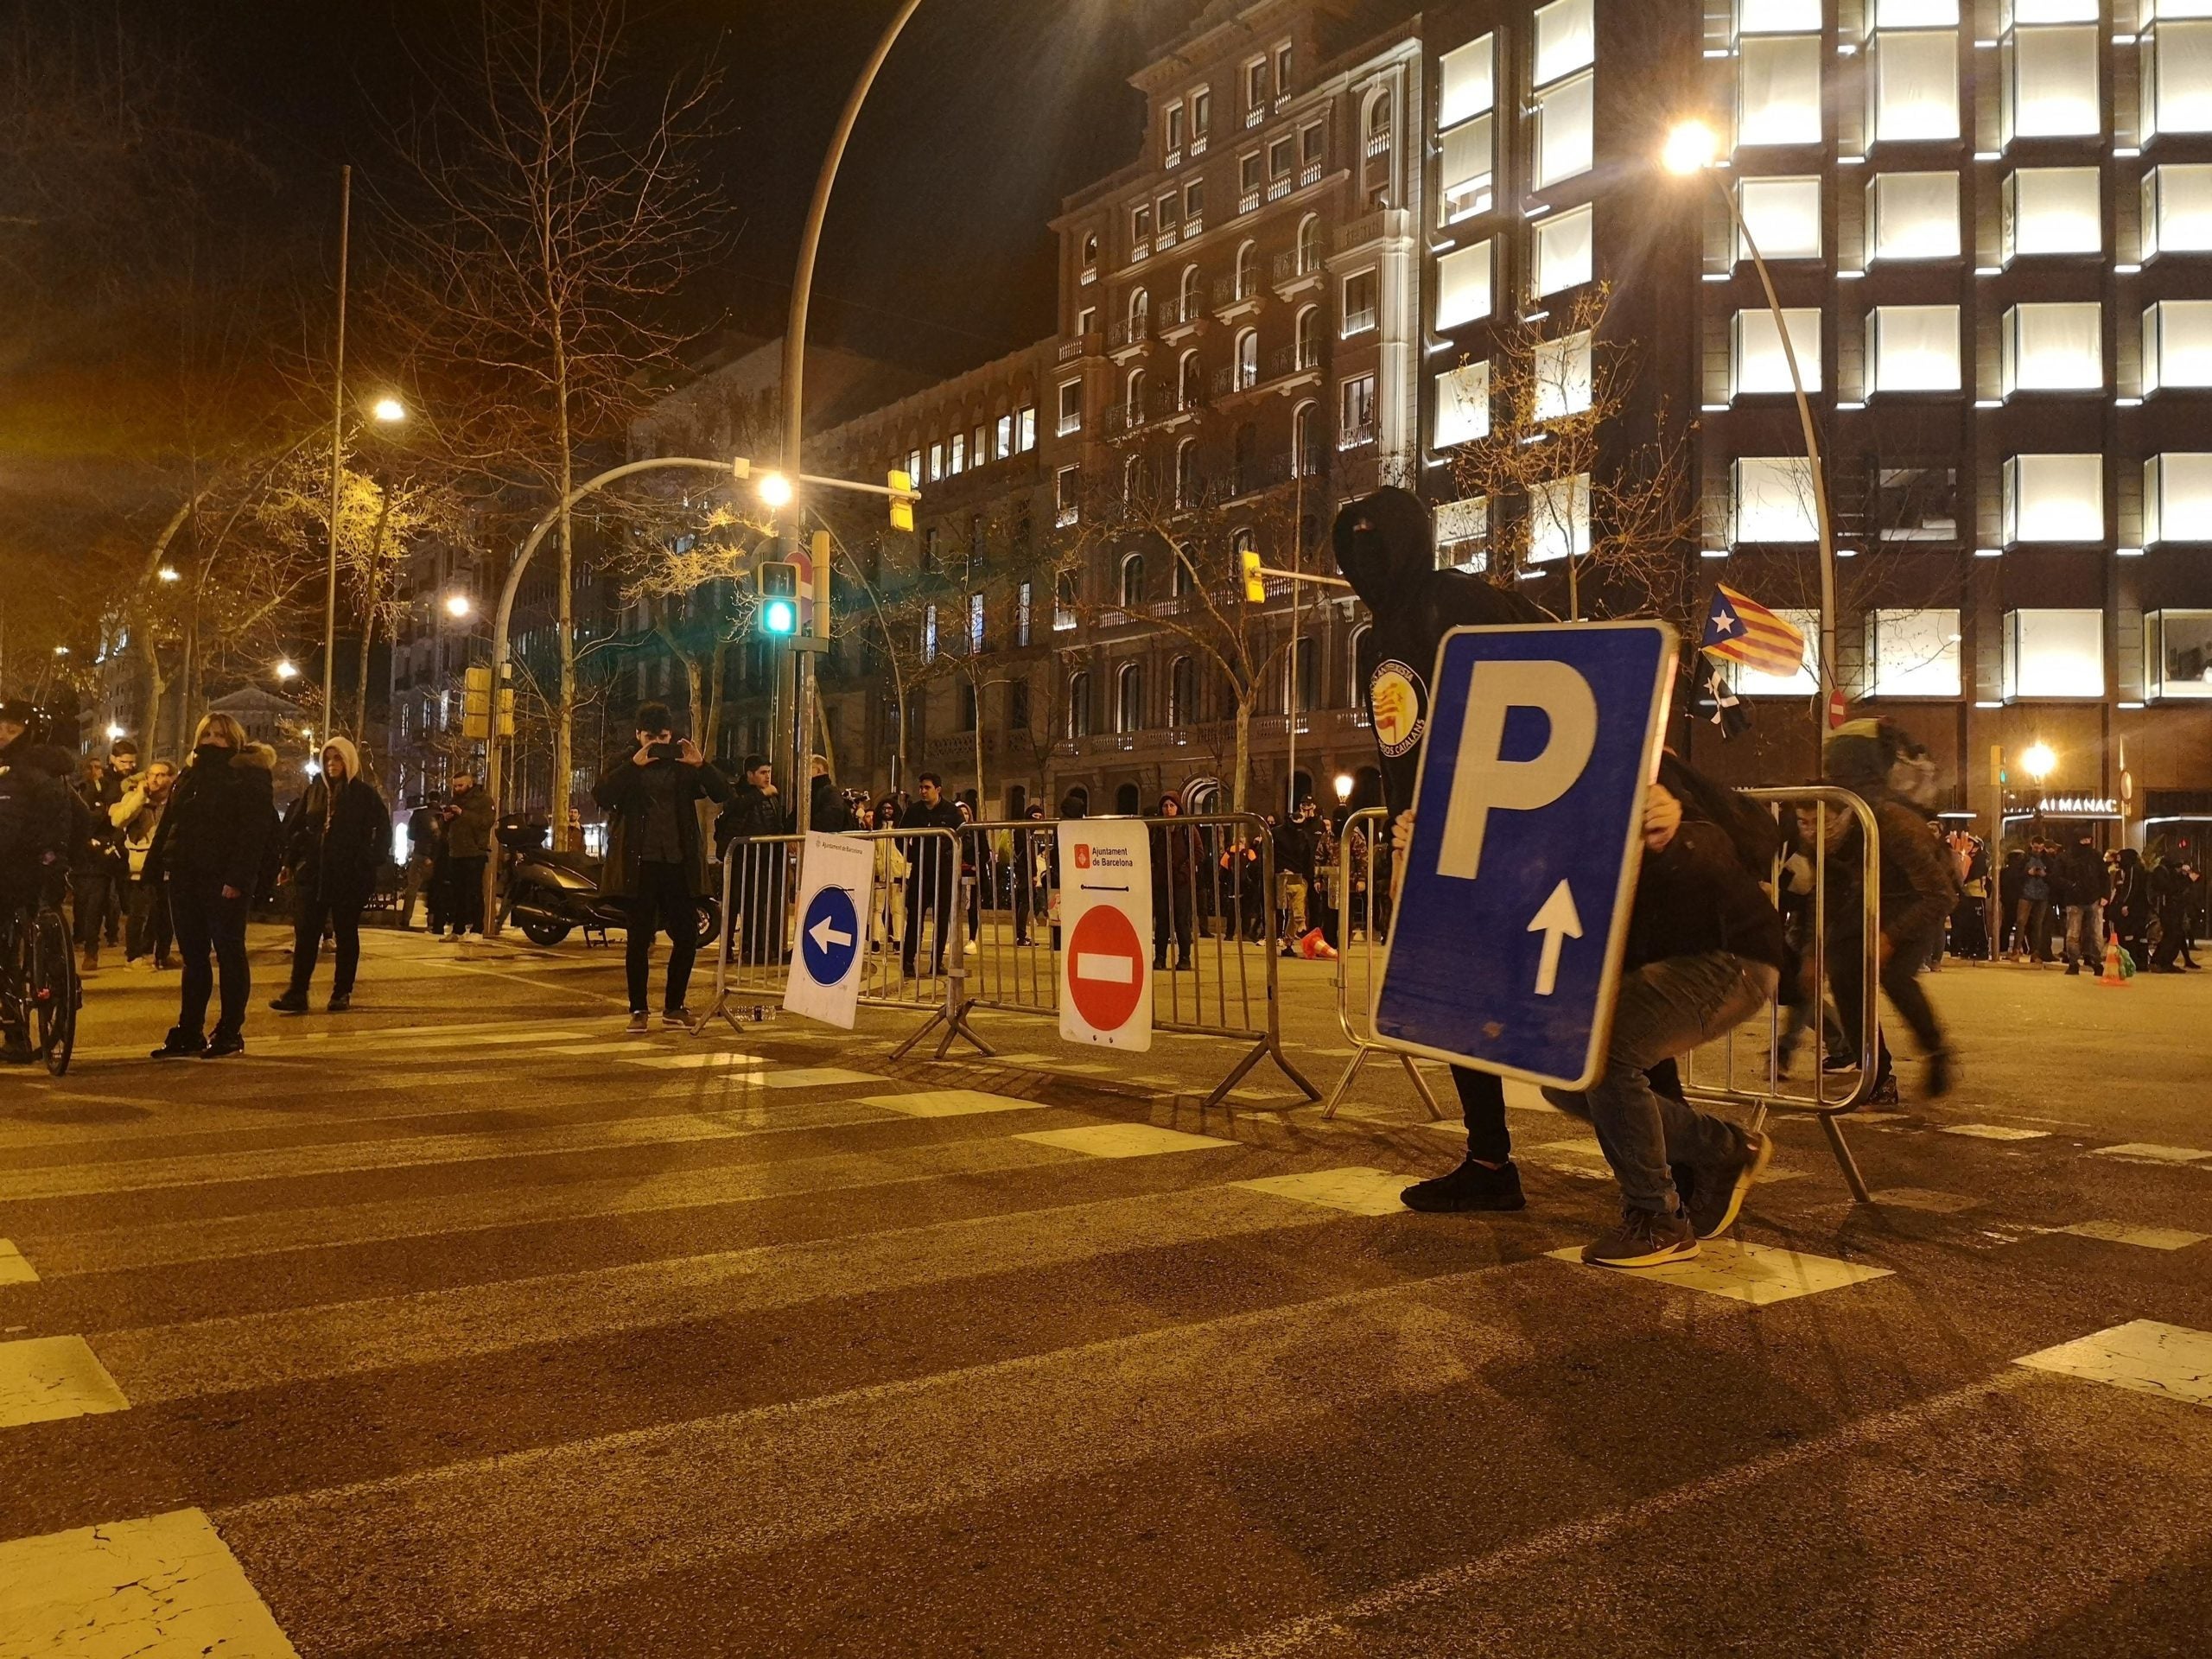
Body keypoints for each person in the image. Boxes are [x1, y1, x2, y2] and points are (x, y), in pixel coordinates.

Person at [1332, 486, 1553, 1214]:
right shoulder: (1377, 636)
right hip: (1429, 846)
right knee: (1457, 1005)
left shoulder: (1458, 603)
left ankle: (1677, 1150)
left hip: (1507, 837)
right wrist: (1402, 840)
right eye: (1352, 541)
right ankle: (1489, 1158)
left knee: (1576, 996)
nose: (1366, 555)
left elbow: (1551, 668)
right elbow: (1403, 746)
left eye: (1378, 538)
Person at [1538, 763, 1789, 1268]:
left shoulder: (1644, 757)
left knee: (1605, 1059)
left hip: (1727, 955)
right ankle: (1725, 1149)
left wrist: (1673, 833)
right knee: (1568, 1073)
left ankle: (1657, 1218)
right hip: (1660, 962)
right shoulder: (1552, 776)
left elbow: (1734, 840)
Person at [1821, 720, 1961, 1102]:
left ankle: (1937, 1050)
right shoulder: (1843, 816)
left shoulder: (1894, 820)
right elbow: (1833, 886)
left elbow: (1939, 894)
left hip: (1915, 905)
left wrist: (1891, 936)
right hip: (1873, 905)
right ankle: (1877, 1076)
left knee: (1896, 977)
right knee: (1844, 971)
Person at [591, 701, 731, 1032]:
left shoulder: (683, 763)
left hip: (678, 862)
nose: (657, 743)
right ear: (638, 734)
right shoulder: (626, 763)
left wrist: (701, 766)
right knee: (639, 938)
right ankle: (638, 1009)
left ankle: (674, 1006)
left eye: (663, 736)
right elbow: (602, 795)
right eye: (650, 736)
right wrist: (633, 766)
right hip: (639, 863)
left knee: (686, 935)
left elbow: (722, 792)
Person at [143, 712, 276, 1059]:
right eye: (207, 734)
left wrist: (238, 879)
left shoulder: (246, 774)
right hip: (186, 873)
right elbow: (171, 821)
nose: (212, 741)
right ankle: (190, 1030)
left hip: (222, 878)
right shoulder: (190, 774)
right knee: (194, 956)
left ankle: (230, 1031)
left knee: (230, 952)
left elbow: (253, 832)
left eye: (220, 735)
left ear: (233, 739)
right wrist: (155, 864)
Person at [270, 737, 390, 1014]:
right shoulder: (314, 792)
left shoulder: (363, 795)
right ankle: (297, 992)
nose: (332, 764)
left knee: (346, 933)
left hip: (349, 875)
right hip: (314, 873)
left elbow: (381, 831)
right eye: (328, 759)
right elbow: (298, 829)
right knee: (306, 934)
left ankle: (341, 991)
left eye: (338, 759)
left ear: (349, 762)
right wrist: (289, 862)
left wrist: (369, 860)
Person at [0, 699, 76, 1063]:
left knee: (7, 946)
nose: (3, 735)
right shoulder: (53, 772)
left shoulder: (21, 772)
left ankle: (15, 1030)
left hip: (18, 867)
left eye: (11, 729)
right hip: (42, 864)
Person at [717, 755, 785, 964]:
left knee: (755, 905)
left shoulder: (771, 797)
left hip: (763, 859)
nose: (767, 777)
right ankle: (726, 948)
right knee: (733, 904)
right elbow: (735, 808)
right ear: (750, 775)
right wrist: (761, 793)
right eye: (763, 773)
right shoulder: (737, 793)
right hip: (740, 859)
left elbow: (774, 824)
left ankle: (751, 947)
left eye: (769, 772)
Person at [111, 758, 177, 969]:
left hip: (168, 863)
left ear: (171, 778)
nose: (155, 779)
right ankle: (134, 955)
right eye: (151, 774)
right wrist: (140, 796)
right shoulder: (134, 796)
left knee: (165, 913)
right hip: (142, 864)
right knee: (139, 912)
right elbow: (119, 820)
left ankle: (161, 953)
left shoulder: (176, 801)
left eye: (161, 774)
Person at [898, 772, 963, 976]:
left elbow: (964, 837)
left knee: (941, 918)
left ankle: (937, 961)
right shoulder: (914, 811)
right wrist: (910, 856)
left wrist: (950, 855)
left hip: (943, 873)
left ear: (938, 789)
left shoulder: (951, 812)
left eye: (927, 787)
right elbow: (900, 837)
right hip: (921, 871)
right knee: (915, 917)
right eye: (921, 788)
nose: (923, 791)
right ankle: (908, 961)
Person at [70, 748, 127, 975]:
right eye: (90, 768)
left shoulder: (114, 787)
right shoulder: (83, 790)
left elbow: (118, 819)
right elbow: (81, 819)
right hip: (89, 855)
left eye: (97, 768)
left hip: (109, 852)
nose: (94, 772)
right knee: (88, 903)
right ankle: (86, 942)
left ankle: (99, 946)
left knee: (105, 902)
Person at [439, 772, 496, 939]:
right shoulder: (454, 800)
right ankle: (458, 929)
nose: (457, 789)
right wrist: (446, 819)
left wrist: (463, 813)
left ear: (469, 784)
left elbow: (486, 822)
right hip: (456, 852)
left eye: (460, 785)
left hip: (474, 852)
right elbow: (446, 827)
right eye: (454, 786)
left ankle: (477, 929)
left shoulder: (483, 800)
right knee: (457, 893)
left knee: (474, 891)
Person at [2053, 830, 2110, 976]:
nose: (2086, 842)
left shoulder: (2095, 856)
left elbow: (2104, 876)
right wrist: (2071, 886)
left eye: (2088, 839)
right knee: (2073, 933)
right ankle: (2074, 963)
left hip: (2093, 899)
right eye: (2083, 839)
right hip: (2075, 900)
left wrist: (2105, 895)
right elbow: (2057, 877)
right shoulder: (2066, 857)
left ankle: (2096, 962)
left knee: (2095, 933)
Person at [1150, 794, 1195, 971]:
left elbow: (1197, 852)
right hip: (1161, 881)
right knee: (1162, 921)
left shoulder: (1186, 828)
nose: (1168, 809)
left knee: (1180, 920)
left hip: (1180, 883)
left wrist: (1184, 870)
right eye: (1165, 806)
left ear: (1178, 808)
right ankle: (1160, 957)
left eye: (1172, 806)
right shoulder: (1156, 829)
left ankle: (1184, 958)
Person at [1273, 800, 1315, 956]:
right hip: (1282, 874)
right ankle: (1300, 921)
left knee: (1295, 903)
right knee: (1295, 898)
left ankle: (1288, 941)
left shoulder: (1302, 835)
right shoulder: (1280, 833)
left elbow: (1307, 857)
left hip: (1296, 874)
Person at [397, 797, 439, 930]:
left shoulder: (418, 814)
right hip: (435, 856)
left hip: (419, 853)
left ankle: (406, 919)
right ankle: (432, 920)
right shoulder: (442, 815)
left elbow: (410, 835)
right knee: (434, 888)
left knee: (412, 888)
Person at [2107, 846, 2152, 969]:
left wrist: (2124, 904)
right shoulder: (2141, 869)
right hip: (2141, 907)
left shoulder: (2132, 870)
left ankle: (2131, 960)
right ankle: (2141, 962)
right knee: (2140, 935)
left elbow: (2131, 889)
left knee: (2129, 934)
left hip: (2133, 907)